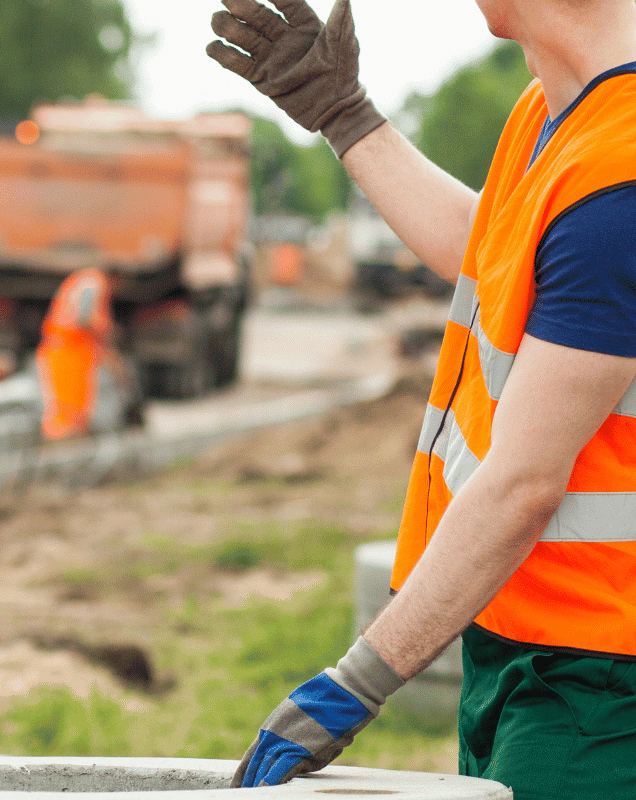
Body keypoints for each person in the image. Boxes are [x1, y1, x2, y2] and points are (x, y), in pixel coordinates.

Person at [207, 0, 636, 796]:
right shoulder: (557, 111)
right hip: (528, 638)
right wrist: (345, 116)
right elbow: (498, 254)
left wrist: (352, 685)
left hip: (605, 683)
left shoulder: (622, 182)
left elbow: (521, 487)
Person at [34, 268, 139, 440]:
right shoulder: (95, 280)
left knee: (78, 405)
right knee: (65, 407)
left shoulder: (86, 280)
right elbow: (84, 316)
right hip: (65, 351)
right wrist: (106, 333)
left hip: (76, 350)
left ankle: (72, 445)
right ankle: (59, 446)